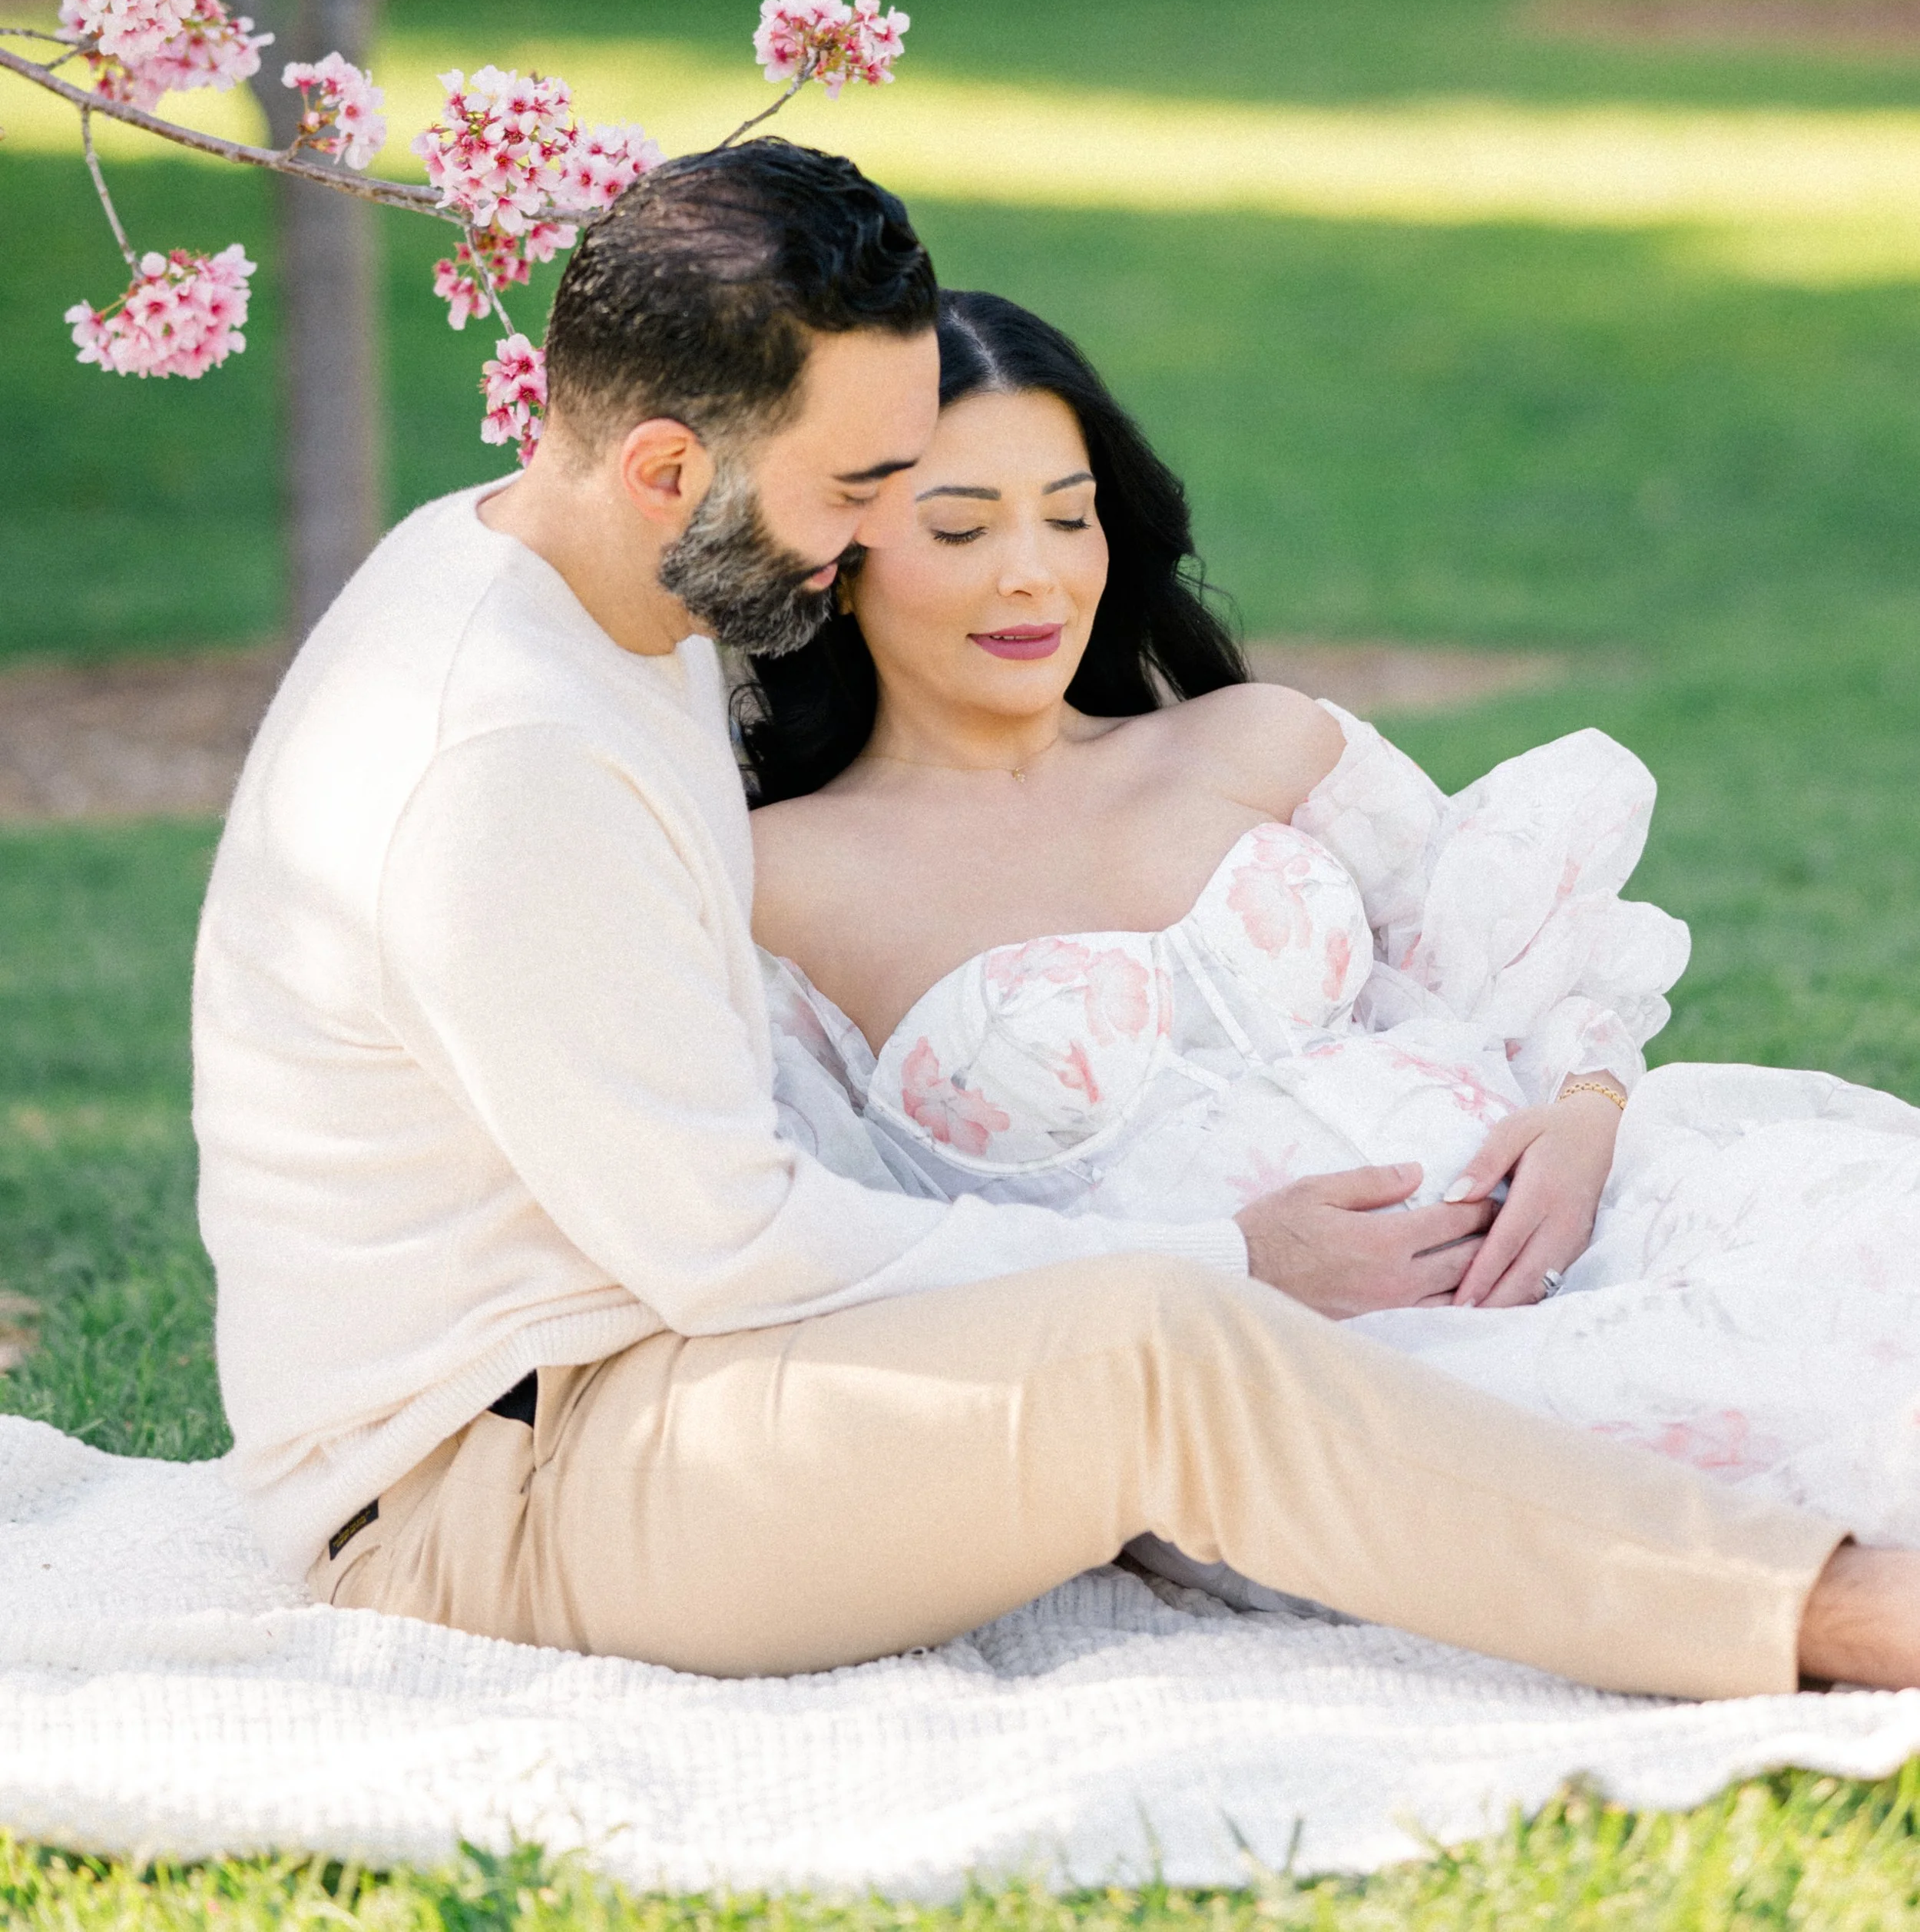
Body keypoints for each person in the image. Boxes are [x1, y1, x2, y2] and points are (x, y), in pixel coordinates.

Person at [195, 144, 1920, 1694]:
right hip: (502, 1484)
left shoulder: (581, 583)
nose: (885, 540)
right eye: (861, 492)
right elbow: (730, 1248)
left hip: (647, 1376)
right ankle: (1817, 1614)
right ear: (662, 466)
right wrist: (1231, 1255)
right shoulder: (503, 765)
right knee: (1158, 1346)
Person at [748, 287, 1920, 1598]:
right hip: (1300, 1390)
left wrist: (1585, 1121)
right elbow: (836, 1259)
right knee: (1674, 1417)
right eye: (961, 525)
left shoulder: (1253, 742)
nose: (1035, 569)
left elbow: (1534, 976)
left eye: (1069, 513)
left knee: (1881, 1241)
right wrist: (1232, 1267)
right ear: (833, 555)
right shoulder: (781, 892)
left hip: (1594, 1223)